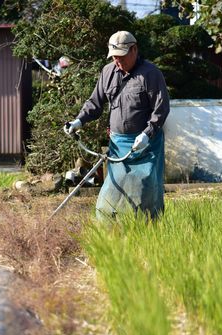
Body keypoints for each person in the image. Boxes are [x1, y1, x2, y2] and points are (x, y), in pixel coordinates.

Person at [64, 30, 170, 220]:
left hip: (146, 145)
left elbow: (161, 109)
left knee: (145, 189)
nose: (117, 61)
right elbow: (94, 103)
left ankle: (148, 228)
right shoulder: (108, 72)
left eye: (121, 57)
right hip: (118, 145)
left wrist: (147, 133)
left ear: (134, 50)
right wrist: (78, 121)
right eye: (114, 57)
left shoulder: (151, 74)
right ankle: (113, 228)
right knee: (114, 189)